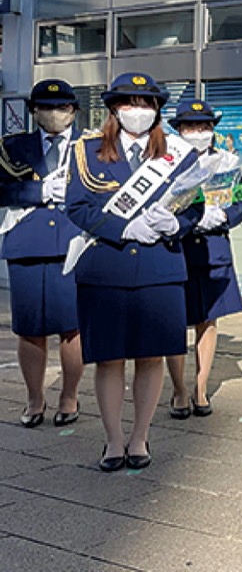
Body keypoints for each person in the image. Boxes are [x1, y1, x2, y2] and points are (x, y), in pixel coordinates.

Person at [65, 72, 205, 472]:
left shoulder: (179, 153)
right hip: (105, 266)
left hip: (159, 266)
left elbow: (194, 207)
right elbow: (77, 207)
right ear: (114, 108)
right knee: (109, 359)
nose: (138, 111)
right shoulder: (87, 151)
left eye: (146, 103)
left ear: (157, 109)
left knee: (150, 356)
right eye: (129, 102)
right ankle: (112, 440)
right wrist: (124, 227)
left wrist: (177, 225)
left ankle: (140, 436)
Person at [0, 79, 84, 428]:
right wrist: (38, 190)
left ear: (74, 111)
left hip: (73, 244)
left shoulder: (89, 146)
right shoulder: (12, 147)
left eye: (62, 107)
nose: (54, 113)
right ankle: (35, 399)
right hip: (27, 244)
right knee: (30, 329)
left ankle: (70, 396)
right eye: (46, 107)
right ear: (33, 111)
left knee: (72, 328)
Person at [164, 99, 242, 419]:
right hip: (177, 248)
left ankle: (200, 389)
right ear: (179, 129)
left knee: (208, 320)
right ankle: (178, 390)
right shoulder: (165, 160)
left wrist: (224, 215)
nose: (199, 132)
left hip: (214, 249)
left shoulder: (227, 162)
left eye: (204, 126)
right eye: (191, 126)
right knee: (174, 323)